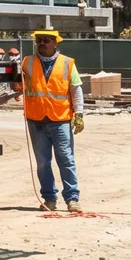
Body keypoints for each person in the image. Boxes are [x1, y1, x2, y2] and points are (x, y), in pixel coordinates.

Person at [22, 29, 84, 213]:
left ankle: (72, 199)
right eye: (39, 40)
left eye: (47, 40)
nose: (42, 43)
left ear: (55, 43)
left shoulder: (67, 63)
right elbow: (19, 83)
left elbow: (76, 89)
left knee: (66, 159)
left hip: (60, 119)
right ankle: (49, 199)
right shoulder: (27, 62)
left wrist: (79, 113)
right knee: (42, 162)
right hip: (36, 119)